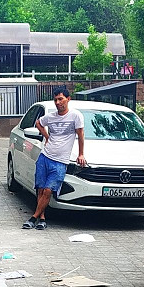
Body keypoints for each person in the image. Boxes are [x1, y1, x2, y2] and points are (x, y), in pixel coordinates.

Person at [23, 86, 85, 230]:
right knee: (40, 189)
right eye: (55, 100)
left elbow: (81, 135)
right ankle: (42, 219)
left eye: (61, 99)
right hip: (45, 157)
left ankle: (33, 217)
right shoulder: (51, 117)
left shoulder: (75, 116)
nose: (58, 102)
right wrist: (47, 136)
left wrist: (81, 154)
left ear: (68, 99)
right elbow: (38, 123)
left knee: (49, 190)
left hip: (60, 161)